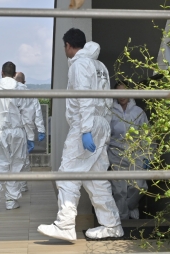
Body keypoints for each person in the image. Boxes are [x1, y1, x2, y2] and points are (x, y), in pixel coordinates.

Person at [37, 28, 123, 242]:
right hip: (101, 123)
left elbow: (84, 98)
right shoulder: (100, 65)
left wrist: (85, 130)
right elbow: (106, 99)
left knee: (67, 173)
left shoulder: (79, 65)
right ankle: (112, 225)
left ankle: (64, 224)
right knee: (96, 179)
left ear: (68, 45)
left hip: (88, 124)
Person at [0, 61, 35, 210]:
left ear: (1, 73)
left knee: (0, 163)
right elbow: (28, 116)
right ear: (14, 73)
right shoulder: (21, 89)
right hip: (17, 131)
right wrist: (30, 136)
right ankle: (10, 200)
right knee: (16, 164)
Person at [108, 81, 149, 220]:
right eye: (118, 92)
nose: (122, 95)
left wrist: (148, 156)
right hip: (116, 154)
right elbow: (106, 136)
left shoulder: (139, 112)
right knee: (119, 190)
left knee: (139, 186)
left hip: (136, 153)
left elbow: (147, 135)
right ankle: (123, 218)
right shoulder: (110, 113)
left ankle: (131, 206)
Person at [14, 71, 46, 192]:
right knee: (23, 159)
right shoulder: (31, 94)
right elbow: (37, 114)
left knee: (10, 160)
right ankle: (22, 185)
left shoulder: (7, 92)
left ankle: (12, 188)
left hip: (9, 130)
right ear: (24, 82)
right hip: (25, 132)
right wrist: (40, 131)